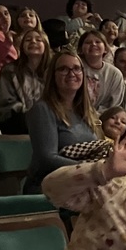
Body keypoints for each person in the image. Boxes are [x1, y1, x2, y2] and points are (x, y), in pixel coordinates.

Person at [25, 51, 101, 194]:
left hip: (83, 184)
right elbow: (47, 159)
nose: (71, 73)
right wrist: (92, 169)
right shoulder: (42, 109)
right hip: (49, 188)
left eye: (77, 68)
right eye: (63, 69)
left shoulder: (86, 111)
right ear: (52, 76)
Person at [0, 28, 51, 134]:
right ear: (22, 47)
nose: (33, 42)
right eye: (28, 40)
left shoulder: (53, 71)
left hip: (48, 119)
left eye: (38, 40)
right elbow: (6, 104)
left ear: (46, 45)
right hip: (16, 119)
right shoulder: (10, 70)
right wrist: (33, 113)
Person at [78, 30, 126, 114]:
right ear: (80, 49)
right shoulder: (74, 67)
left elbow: (113, 105)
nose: (93, 44)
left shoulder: (115, 74)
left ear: (105, 49)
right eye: (88, 42)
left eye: (98, 42)